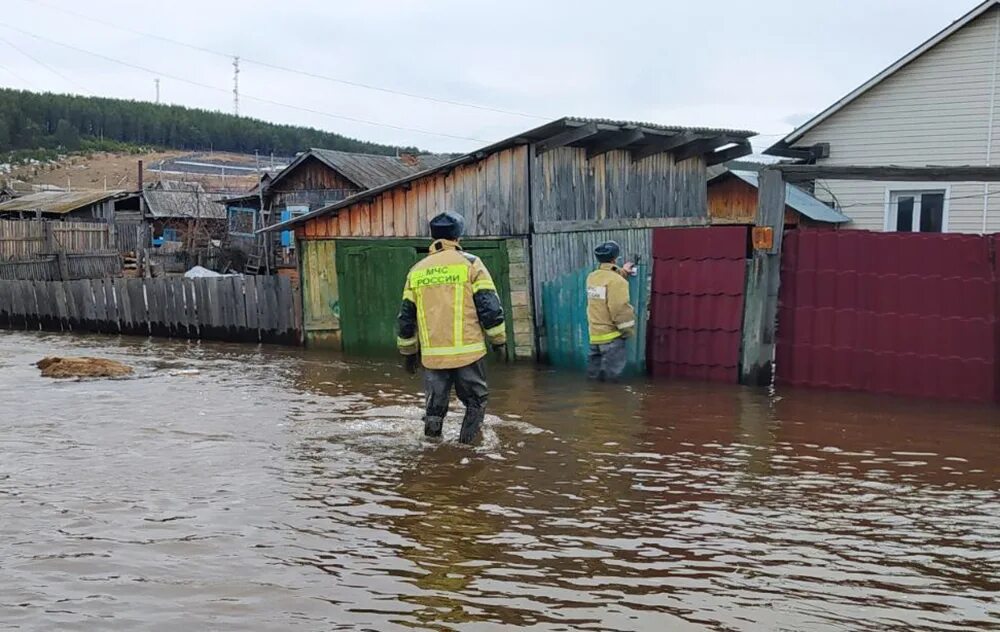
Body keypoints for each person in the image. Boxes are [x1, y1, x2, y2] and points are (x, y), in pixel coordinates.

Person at [397, 211, 507, 444]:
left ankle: (432, 452)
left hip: (433, 358)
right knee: (476, 403)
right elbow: (490, 306)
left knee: (434, 410)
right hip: (469, 353)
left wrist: (408, 354)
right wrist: (499, 342)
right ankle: (467, 451)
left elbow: (406, 318)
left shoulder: (417, 270)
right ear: (458, 236)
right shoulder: (471, 264)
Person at [586, 241, 636, 382]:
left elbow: (607, 277)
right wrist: (628, 332)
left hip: (595, 338)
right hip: (612, 339)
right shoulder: (617, 282)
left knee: (594, 382)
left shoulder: (592, 277)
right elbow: (619, 309)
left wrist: (623, 271)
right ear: (615, 258)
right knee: (612, 384)